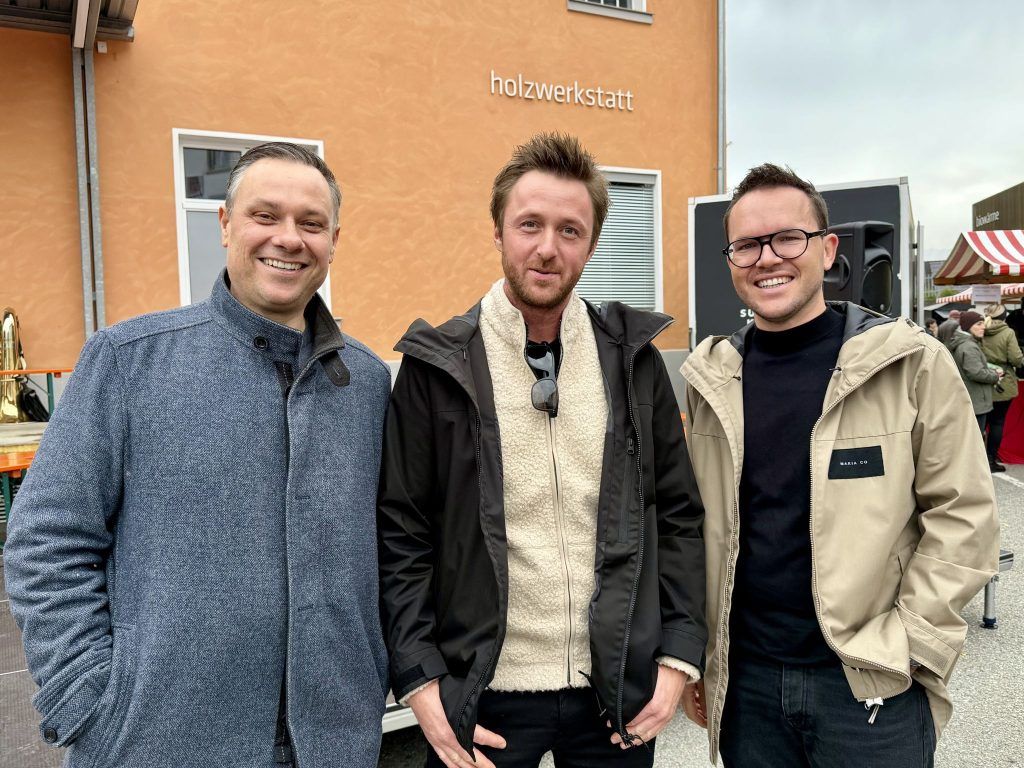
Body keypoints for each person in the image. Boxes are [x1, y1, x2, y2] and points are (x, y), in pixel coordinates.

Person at [4, 143, 390, 767]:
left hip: (335, 744)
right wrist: (88, 702)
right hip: (157, 743)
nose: (288, 239)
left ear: (334, 240)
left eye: (311, 223)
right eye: (266, 215)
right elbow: (46, 541)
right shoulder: (130, 361)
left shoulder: (366, 384)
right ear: (226, 225)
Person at [378, 133, 706, 768]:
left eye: (570, 229)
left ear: (592, 241)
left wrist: (677, 659)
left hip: (614, 695)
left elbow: (678, 514)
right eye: (530, 224)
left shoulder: (633, 360)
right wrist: (422, 684)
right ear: (497, 231)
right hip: (485, 695)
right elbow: (401, 533)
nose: (548, 248)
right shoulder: (437, 366)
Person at [681, 163, 999, 768]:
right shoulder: (711, 381)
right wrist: (700, 655)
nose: (767, 257)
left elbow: (966, 517)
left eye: (787, 238)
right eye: (747, 244)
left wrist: (911, 643)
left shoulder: (909, 365)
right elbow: (695, 526)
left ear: (826, 250)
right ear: (730, 260)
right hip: (748, 684)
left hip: (867, 683)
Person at [981, 303, 1023, 472]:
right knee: (997, 422)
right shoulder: (1007, 332)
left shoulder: (980, 329)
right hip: (1003, 382)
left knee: (982, 423)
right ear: (1004, 316)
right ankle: (991, 459)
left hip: (983, 381)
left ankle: (978, 459)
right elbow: (1016, 359)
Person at [949, 309, 1002, 438]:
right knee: (974, 439)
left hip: (973, 399)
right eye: (978, 324)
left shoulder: (967, 344)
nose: (983, 327)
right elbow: (976, 373)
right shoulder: (968, 346)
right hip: (975, 401)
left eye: (983, 323)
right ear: (968, 327)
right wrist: (995, 376)